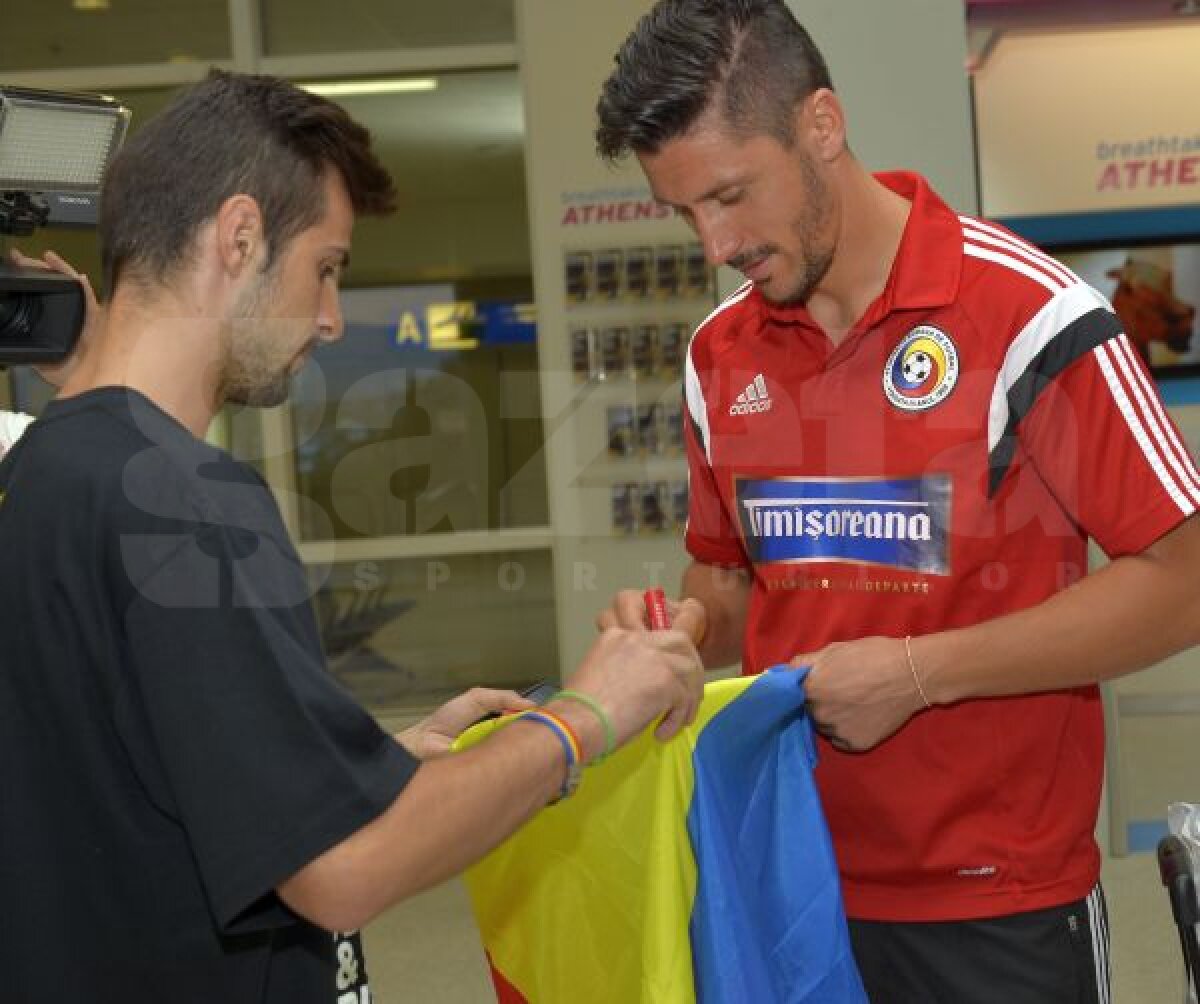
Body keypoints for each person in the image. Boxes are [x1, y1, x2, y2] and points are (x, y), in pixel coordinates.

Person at [0, 70, 705, 1003]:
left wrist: (363, 772)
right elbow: (341, 870)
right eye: (325, 268)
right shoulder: (185, 499)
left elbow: (145, 784)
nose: (331, 319)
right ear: (239, 236)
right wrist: (585, 716)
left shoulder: (43, 469)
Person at [593, 2, 1200, 1001]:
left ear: (821, 124)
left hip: (1000, 905)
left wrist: (919, 671)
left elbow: (1182, 581)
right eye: (685, 210)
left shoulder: (1030, 317)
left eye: (732, 195)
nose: (714, 242)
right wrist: (678, 631)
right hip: (789, 879)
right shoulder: (719, 356)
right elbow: (730, 570)